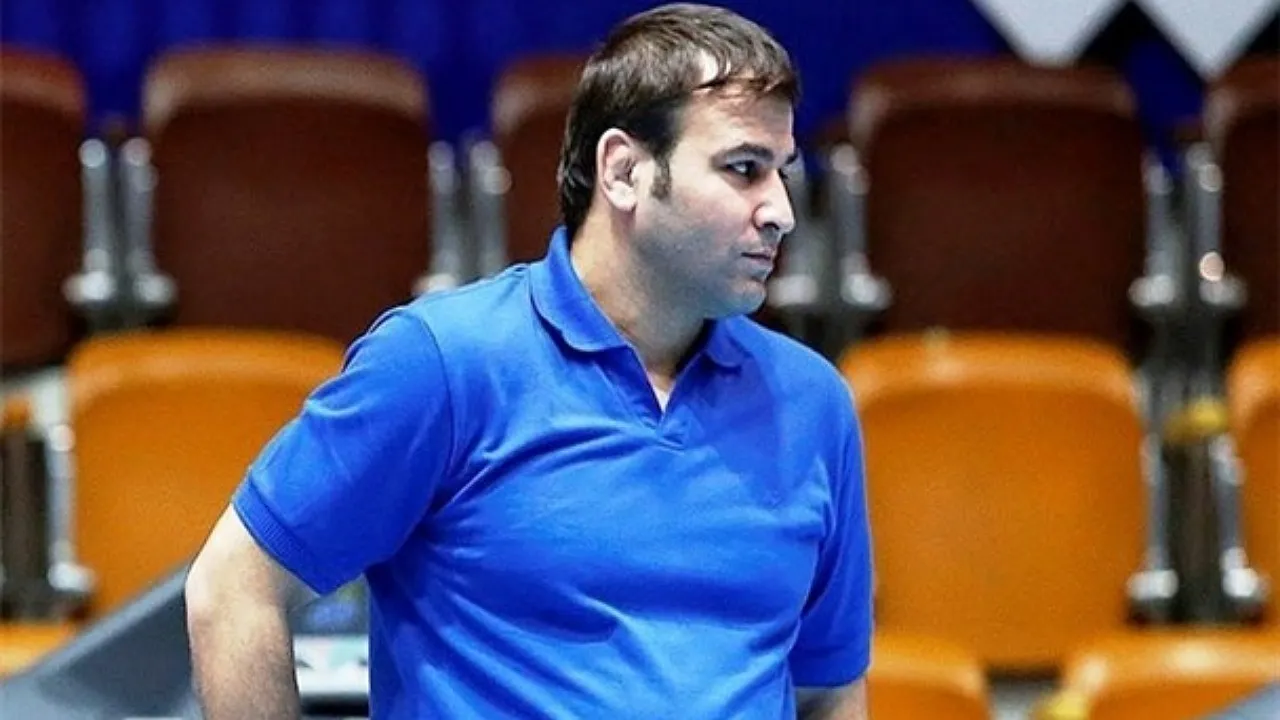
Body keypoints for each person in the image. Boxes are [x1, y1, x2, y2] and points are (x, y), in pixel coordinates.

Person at [184, 3, 874, 718]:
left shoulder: (813, 402)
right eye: (744, 169)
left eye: (781, 172)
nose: (782, 211)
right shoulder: (441, 365)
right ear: (624, 171)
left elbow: (829, 688)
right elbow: (233, 588)